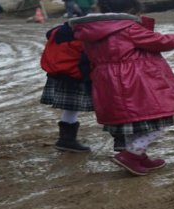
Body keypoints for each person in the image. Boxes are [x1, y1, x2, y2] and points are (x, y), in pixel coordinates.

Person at [70, 0, 174, 175]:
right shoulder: (127, 28)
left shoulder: (90, 30)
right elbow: (160, 41)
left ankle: (138, 156)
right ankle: (131, 154)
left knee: (131, 123)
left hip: (106, 81)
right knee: (157, 121)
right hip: (134, 82)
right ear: (130, 11)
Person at [40, 22, 127, 153]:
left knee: (70, 108)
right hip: (82, 76)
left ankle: (66, 140)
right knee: (107, 106)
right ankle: (123, 143)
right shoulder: (89, 34)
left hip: (64, 74)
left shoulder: (60, 31)